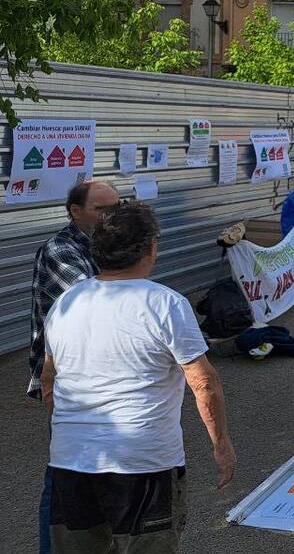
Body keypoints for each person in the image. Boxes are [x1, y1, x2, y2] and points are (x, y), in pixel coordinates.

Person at [42, 202, 236, 552]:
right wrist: (221, 445)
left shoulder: (66, 302)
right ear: (151, 248)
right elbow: (204, 383)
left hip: (71, 461)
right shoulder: (166, 304)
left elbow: (48, 382)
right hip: (143, 461)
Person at [29, 179, 119, 554]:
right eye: (101, 209)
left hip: (106, 377)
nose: (111, 216)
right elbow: (100, 303)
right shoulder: (59, 250)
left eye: (116, 207)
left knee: (105, 473)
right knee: (66, 476)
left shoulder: (110, 246)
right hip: (68, 380)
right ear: (75, 211)